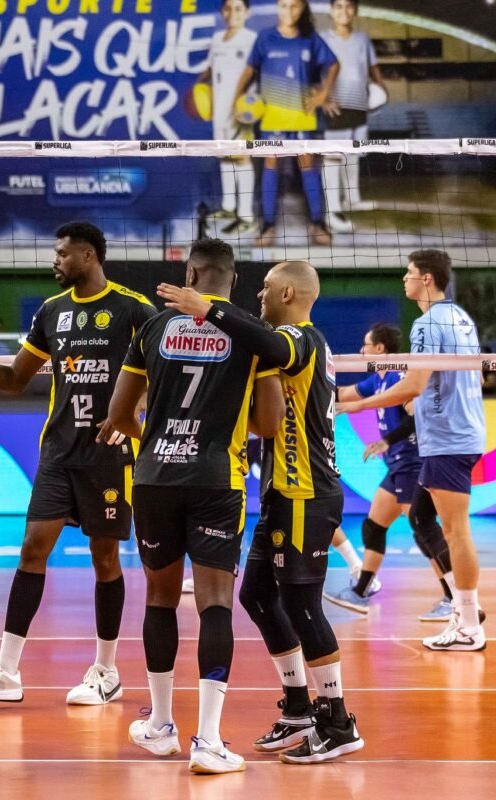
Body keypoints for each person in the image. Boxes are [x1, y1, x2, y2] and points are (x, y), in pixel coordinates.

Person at [158, 260, 365, 764]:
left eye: (267, 288)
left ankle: (337, 721)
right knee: (255, 595)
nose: (259, 296)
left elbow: (269, 345)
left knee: (303, 604)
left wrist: (207, 309)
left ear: (290, 292)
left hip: (306, 493)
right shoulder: (300, 342)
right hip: (283, 492)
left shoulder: (300, 337)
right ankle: (299, 706)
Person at [0, 221, 157, 706]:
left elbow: (160, 368)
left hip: (109, 454)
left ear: (87, 255)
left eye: (62, 254)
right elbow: (17, 378)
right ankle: (6, 671)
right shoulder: (52, 311)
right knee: (31, 550)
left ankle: (105, 671)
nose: (55, 261)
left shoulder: (132, 308)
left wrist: (135, 414)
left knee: (105, 561)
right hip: (58, 453)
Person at [102, 239, 282, 774]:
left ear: (190, 272)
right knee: (215, 603)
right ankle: (208, 740)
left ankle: (160, 726)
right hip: (215, 477)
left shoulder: (153, 328)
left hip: (155, 476)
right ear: (233, 278)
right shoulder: (253, 333)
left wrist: (157, 440)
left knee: (159, 598)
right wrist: (217, 427)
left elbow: (117, 414)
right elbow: (269, 424)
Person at [336, 250, 487, 651]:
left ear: (426, 279)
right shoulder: (461, 318)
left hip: (447, 438)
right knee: (422, 518)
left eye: (408, 273)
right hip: (460, 433)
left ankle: (468, 621)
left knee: (455, 531)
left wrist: (359, 406)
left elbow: (415, 386)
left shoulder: (427, 323)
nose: (404, 279)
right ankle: (458, 609)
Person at [324, 324, 455, 619]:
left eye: (366, 345)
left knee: (424, 531)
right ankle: (362, 590)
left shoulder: (400, 377)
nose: (361, 351)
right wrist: (310, 384)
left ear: (380, 349)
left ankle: (453, 598)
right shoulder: (377, 379)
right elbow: (345, 393)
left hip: (412, 464)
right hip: (396, 467)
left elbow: (417, 416)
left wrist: (386, 440)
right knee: (374, 525)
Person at [233, 0, 339, 246]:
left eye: (294, 6)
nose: (288, 11)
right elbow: (249, 70)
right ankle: (267, 225)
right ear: (277, 8)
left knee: (307, 165)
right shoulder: (266, 38)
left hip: (302, 115)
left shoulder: (310, 38)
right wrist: (237, 99)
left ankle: (317, 224)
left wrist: (323, 94)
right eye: (283, 6)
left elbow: (333, 64)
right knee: (270, 164)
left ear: (303, 9)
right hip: (273, 117)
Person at [320, 0, 386, 232]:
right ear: (331, 10)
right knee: (333, 158)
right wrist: (323, 99)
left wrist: (380, 86)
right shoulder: (322, 39)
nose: (343, 11)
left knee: (354, 155)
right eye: (338, 6)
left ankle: (351, 199)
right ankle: (332, 210)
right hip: (336, 107)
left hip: (360, 104)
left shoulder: (362, 39)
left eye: (348, 6)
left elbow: (372, 66)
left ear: (355, 10)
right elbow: (309, 74)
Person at [202, 0, 257, 235]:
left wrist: (247, 106)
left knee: (242, 158)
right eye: (228, 8)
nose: (232, 13)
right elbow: (212, 70)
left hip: (241, 110)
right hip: (220, 111)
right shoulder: (216, 39)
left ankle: (246, 216)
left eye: (238, 8)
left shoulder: (252, 38)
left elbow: (256, 72)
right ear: (223, 12)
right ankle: (228, 206)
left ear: (247, 12)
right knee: (225, 157)